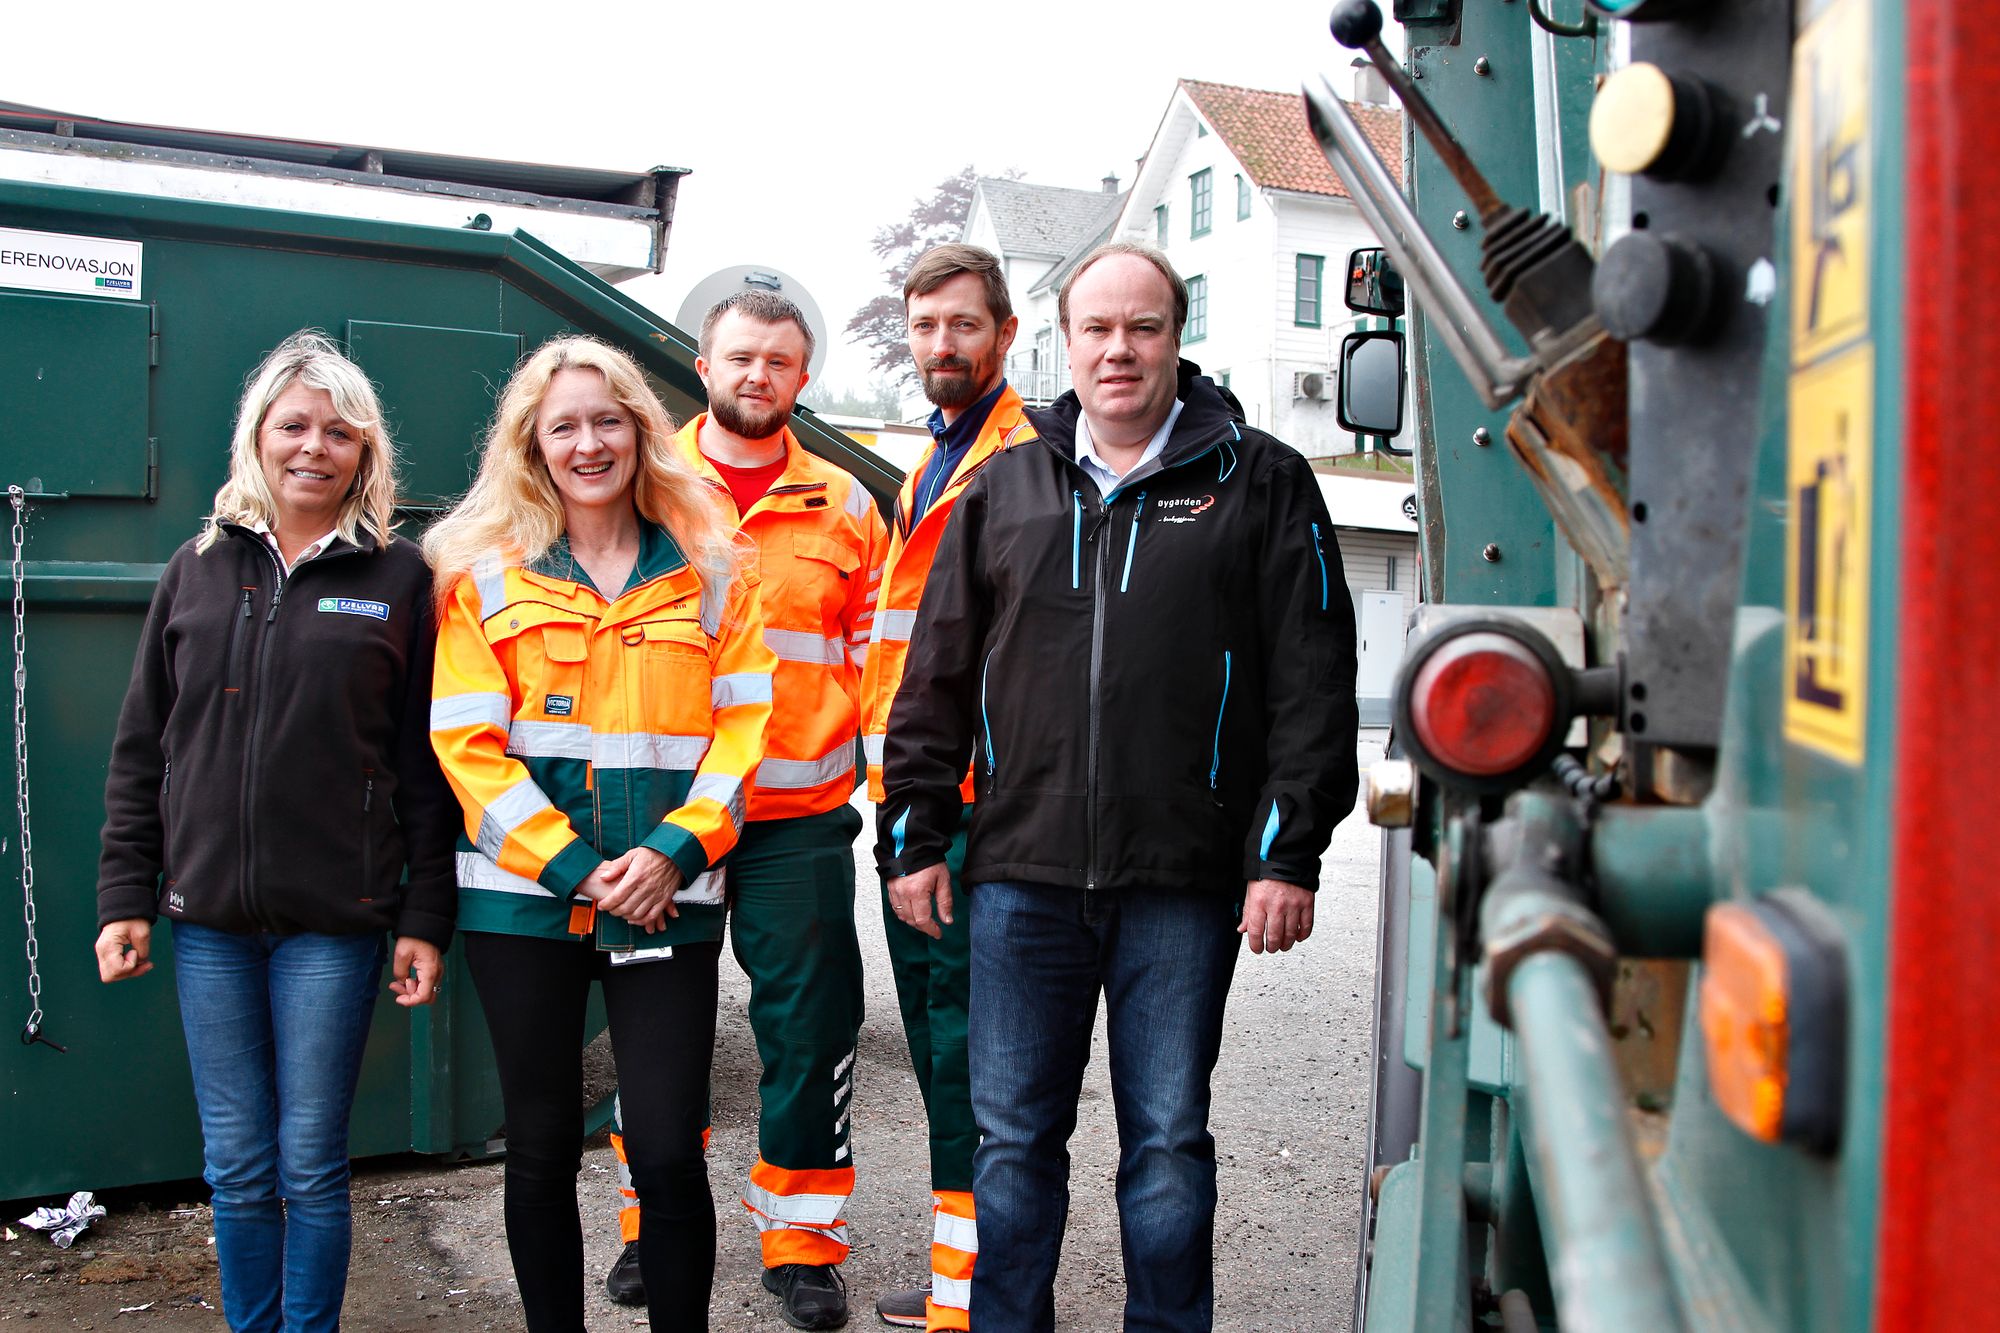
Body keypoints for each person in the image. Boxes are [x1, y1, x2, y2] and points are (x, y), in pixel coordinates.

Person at [877, 243, 1359, 1332]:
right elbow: (935, 676)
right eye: (1096, 328)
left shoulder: (1263, 478)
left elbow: (1312, 680)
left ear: (1175, 337)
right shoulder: (1004, 486)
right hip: (1018, 879)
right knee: (1009, 1145)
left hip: (1180, 885)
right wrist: (912, 834)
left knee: (1166, 1145)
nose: (1118, 349)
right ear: (1063, 339)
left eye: (1141, 327)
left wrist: (1284, 854)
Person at [94, 330, 458, 1333]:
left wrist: (424, 916)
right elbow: (140, 750)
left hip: (332, 927)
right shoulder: (196, 568)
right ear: (257, 437)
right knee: (238, 1164)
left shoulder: (399, 580)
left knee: (309, 1161)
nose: (314, 446)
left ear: (365, 451)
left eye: (339, 430)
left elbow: (427, 766)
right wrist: (126, 897)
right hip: (206, 921)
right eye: (293, 424)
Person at [425, 335, 774, 1332]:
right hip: (522, 901)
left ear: (640, 432)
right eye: (564, 425)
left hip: (670, 893)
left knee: (666, 1145)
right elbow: (466, 745)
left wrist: (671, 850)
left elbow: (744, 729)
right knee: (537, 1144)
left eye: (607, 420)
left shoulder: (711, 572)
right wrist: (581, 870)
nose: (588, 443)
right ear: (531, 445)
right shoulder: (482, 576)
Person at [598, 290, 887, 1330]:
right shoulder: (644, 491)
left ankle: (802, 1243)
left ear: (801, 377)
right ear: (702, 365)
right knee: (655, 1035)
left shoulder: (848, 506)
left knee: (809, 1032)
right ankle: (650, 1223)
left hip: (795, 820)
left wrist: (889, 790)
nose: (756, 375)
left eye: (778, 360)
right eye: (739, 357)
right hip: (665, 822)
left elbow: (880, 665)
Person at [858, 242, 1033, 1332]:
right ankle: (963, 1275)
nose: (941, 346)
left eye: (962, 326)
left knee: (969, 1047)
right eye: (924, 327)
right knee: (936, 1039)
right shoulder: (930, 458)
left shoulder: (1019, 458)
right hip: (913, 790)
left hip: (969, 798)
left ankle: (973, 1291)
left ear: (1004, 335)